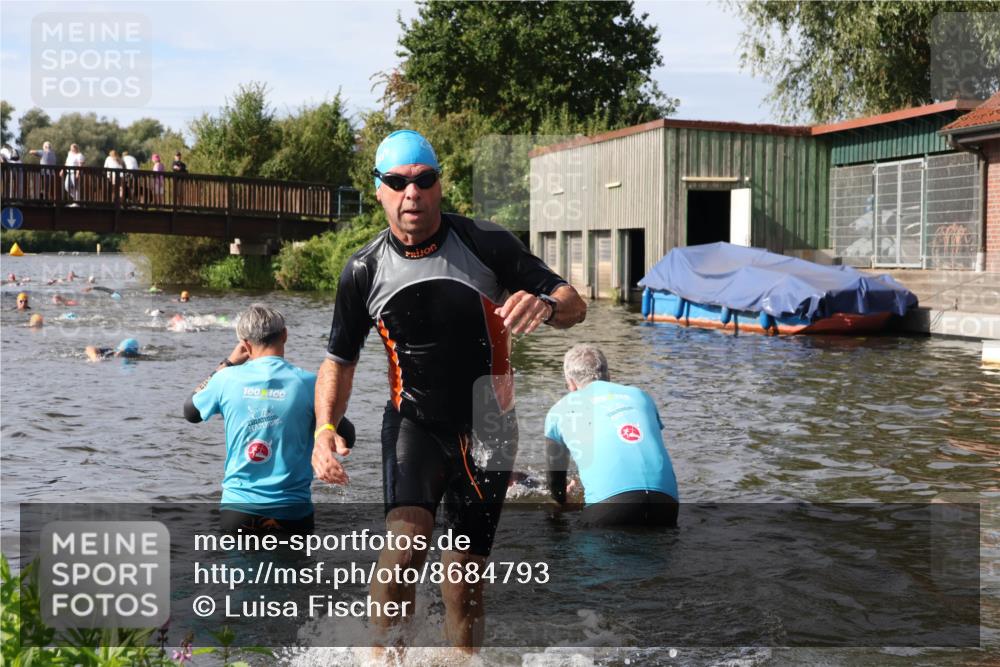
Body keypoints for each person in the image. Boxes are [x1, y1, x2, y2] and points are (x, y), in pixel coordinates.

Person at [312, 129, 587, 653]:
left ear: (439, 186)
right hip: (413, 422)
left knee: (463, 578)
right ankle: (382, 660)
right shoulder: (363, 271)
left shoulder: (486, 243)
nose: (410, 193)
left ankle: (464, 662)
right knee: (405, 545)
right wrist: (325, 429)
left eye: (423, 180)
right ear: (378, 190)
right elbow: (338, 362)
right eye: (397, 182)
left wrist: (546, 307)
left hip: (490, 424)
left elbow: (575, 304)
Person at [183, 304, 354, 534]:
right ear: (285, 335)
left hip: (238, 509)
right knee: (293, 570)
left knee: (239, 570)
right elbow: (348, 436)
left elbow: (190, 412)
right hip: (292, 512)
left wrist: (229, 362)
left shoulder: (225, 379)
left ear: (244, 345)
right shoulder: (309, 384)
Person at [545, 344, 679, 527]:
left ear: (571, 383)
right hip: (666, 503)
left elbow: (555, 482)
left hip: (610, 510)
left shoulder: (558, 410)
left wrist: (562, 499)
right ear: (608, 376)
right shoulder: (641, 396)